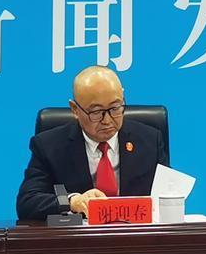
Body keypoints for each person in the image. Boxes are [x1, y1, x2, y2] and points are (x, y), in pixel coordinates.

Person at [15, 65, 168, 221]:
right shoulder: (49, 146)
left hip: (137, 234)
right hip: (80, 236)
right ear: (75, 109)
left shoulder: (150, 140)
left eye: (115, 108)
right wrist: (72, 202)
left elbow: (168, 197)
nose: (107, 120)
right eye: (96, 112)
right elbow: (27, 203)